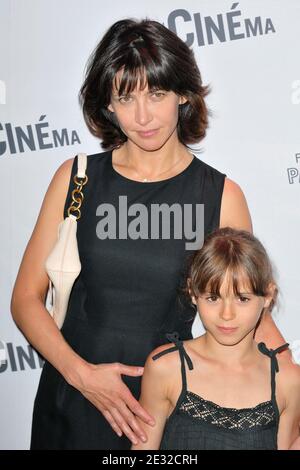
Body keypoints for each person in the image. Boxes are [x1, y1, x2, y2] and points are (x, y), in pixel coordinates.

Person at [10, 18, 289, 450]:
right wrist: (81, 376)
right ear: (107, 105)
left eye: (156, 94)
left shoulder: (219, 195)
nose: (142, 116)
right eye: (125, 97)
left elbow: (246, 307)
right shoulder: (76, 179)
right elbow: (26, 298)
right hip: (72, 403)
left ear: (182, 94)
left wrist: (291, 382)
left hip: (163, 412)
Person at [131, 227, 300, 450]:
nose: (226, 314)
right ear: (193, 292)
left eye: (242, 299)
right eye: (213, 298)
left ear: (267, 296)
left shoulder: (288, 380)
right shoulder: (166, 368)